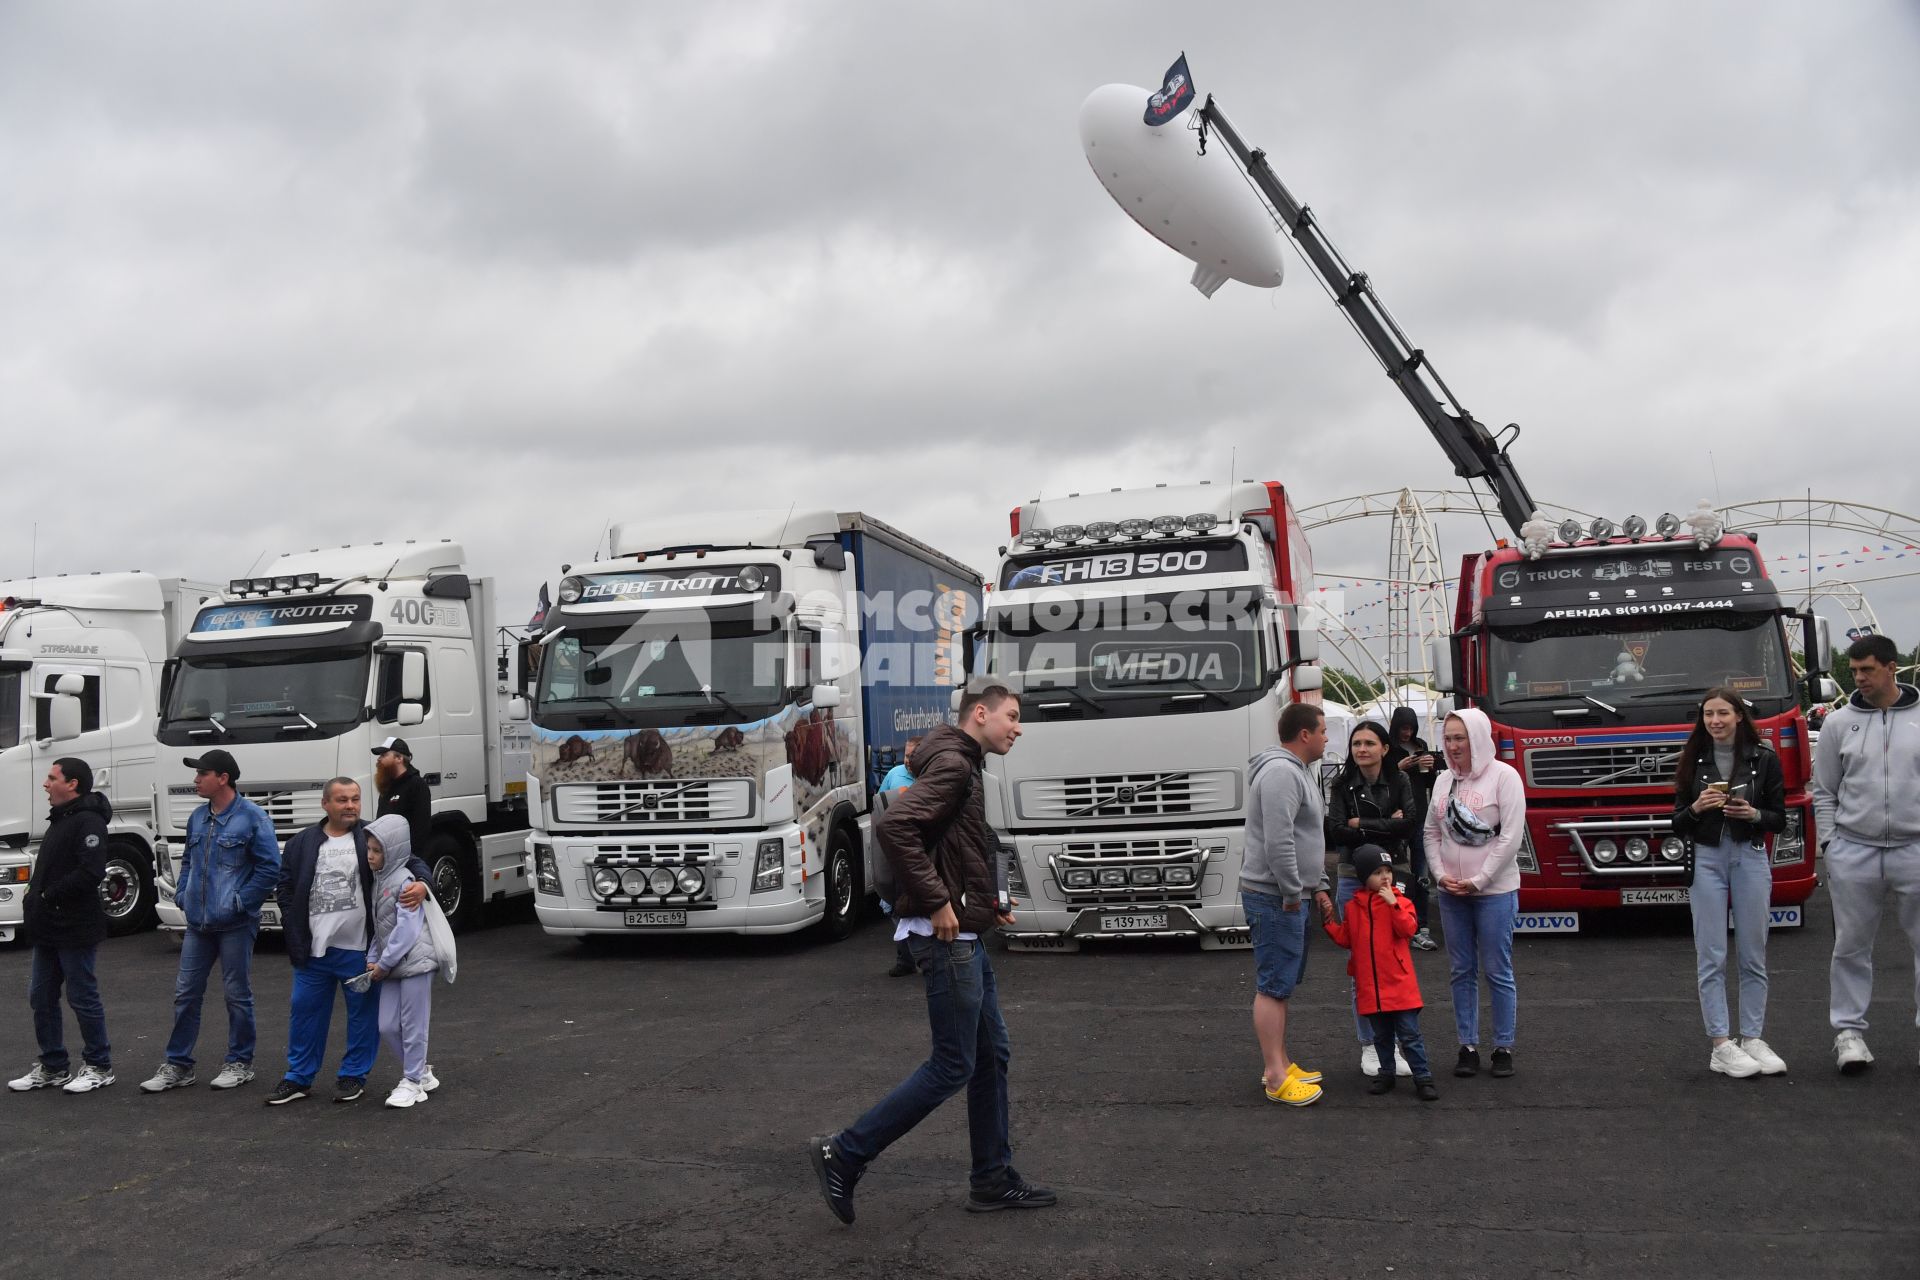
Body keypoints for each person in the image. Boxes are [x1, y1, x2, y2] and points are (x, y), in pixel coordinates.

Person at [810, 677, 1054, 1224]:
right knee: (953, 1064)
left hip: (964, 933)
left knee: (992, 1056)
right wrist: (940, 901)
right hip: (945, 939)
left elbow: (970, 841)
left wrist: (993, 898)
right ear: (981, 715)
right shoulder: (955, 765)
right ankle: (844, 1153)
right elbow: (895, 827)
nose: (1018, 727)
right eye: (1011, 716)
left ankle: (991, 1178)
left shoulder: (963, 761)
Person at [265, 777, 429, 1105]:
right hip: (312, 950)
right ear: (325, 804)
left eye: (355, 798)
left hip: (359, 947)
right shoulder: (301, 843)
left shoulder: (373, 837)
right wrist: (291, 918)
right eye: (342, 800)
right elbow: (284, 885)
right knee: (305, 1013)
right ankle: (298, 1078)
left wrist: (423, 883)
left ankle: (353, 1075)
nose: (351, 805)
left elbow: (411, 861)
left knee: (363, 1016)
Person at [140, 750, 281, 1093]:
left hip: (235, 923)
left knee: (237, 994)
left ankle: (240, 1062)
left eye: (202, 774)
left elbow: (269, 868)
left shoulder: (252, 818)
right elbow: (188, 858)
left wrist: (240, 902)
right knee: (185, 993)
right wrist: (184, 893)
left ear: (223, 778)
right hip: (199, 924)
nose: (196, 780)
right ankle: (178, 1065)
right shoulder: (198, 818)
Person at [1812, 634, 1920, 1075]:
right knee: (1851, 946)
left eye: (1866, 670)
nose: (1858, 678)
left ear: (1891, 667)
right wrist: (1830, 846)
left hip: (1915, 848)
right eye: (1853, 671)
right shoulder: (1838, 723)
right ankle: (1849, 1034)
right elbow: (1824, 792)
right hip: (1853, 850)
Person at [1670, 689, 1788, 1077]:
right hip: (1705, 859)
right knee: (1712, 954)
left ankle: (1752, 1037)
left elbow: (1779, 818)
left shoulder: (1765, 758)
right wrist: (1697, 807)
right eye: (1708, 715)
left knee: (1754, 952)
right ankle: (1721, 1044)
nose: (1715, 721)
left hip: (1750, 855)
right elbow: (1676, 822)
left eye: (1722, 713)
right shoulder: (1690, 760)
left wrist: (1753, 813)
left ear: (1739, 716)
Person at [1423, 707, 1526, 1079]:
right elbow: (1431, 833)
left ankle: (1503, 1046)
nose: (1452, 746)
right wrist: (1439, 875)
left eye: (1459, 738)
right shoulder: (1442, 781)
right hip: (1452, 894)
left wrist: (1479, 880)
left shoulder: (1505, 777)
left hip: (1494, 892)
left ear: (1478, 739)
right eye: (1448, 738)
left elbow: (1511, 838)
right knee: (1460, 970)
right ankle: (1467, 1045)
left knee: (1497, 970)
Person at [8, 759, 115, 1094]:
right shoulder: (60, 819)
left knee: (82, 996)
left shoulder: (89, 822)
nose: (45, 783)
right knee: (40, 996)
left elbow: (91, 872)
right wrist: (33, 896)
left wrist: (50, 894)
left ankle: (99, 1065)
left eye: (52, 778)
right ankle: (53, 1066)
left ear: (72, 784)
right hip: (48, 928)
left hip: (76, 927)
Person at [1246, 701, 1329, 1107]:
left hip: (1286, 894)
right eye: (1324, 730)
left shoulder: (1294, 771)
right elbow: (1279, 843)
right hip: (1275, 896)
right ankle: (1276, 1077)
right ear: (1305, 735)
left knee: (1280, 986)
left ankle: (1278, 1063)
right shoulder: (1281, 773)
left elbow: (1305, 838)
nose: (1328, 738)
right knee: (1273, 986)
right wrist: (1293, 892)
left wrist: (1319, 885)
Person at [1324, 720, 1416, 1077]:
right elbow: (1335, 833)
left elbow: (1409, 824)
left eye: (1369, 743)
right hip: (1351, 878)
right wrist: (1383, 823)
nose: (1361, 749)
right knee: (1362, 966)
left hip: (1395, 877)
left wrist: (1360, 823)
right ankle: (1371, 1047)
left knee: (1395, 960)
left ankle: (1396, 1043)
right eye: (1356, 743)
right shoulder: (1341, 784)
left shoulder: (1400, 780)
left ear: (1385, 748)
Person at [1322, 844, 1438, 1101]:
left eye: (1388, 870)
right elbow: (1347, 939)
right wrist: (1329, 924)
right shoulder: (1353, 908)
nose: (1386, 876)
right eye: (1377, 872)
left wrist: (1394, 904)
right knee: (1382, 1036)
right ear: (1364, 877)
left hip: (1399, 985)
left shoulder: (1402, 902)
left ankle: (1423, 1077)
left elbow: (1408, 929)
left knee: (1409, 1034)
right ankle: (1387, 1073)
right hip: (1371, 987)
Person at [362, 814, 442, 1109]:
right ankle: (420, 1074)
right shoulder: (381, 879)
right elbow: (381, 929)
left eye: (377, 850)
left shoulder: (404, 881)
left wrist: (382, 963)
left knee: (413, 1025)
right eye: (369, 849)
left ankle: (412, 1081)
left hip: (414, 964)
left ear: (393, 850)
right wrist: (375, 959)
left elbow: (406, 931)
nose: (370, 855)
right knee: (387, 1026)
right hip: (395, 965)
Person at [1385, 706, 1441, 950]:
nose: (1406, 733)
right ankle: (1397, 924)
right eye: (1403, 728)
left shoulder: (1420, 745)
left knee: (1421, 875)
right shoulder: (1386, 748)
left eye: (1410, 728)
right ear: (1396, 727)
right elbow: (1380, 778)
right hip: (1396, 817)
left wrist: (1430, 764)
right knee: (1395, 874)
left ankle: (1421, 925)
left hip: (1420, 816)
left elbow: (1429, 782)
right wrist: (1399, 767)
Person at [877, 736, 923, 978]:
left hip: (919, 852)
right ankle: (905, 959)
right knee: (893, 906)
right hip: (894, 852)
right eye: (905, 755)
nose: (906, 760)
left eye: (912, 756)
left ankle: (924, 957)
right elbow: (879, 805)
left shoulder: (931, 779)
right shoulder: (894, 775)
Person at [374, 737, 433, 863]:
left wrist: (410, 860)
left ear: (399, 758)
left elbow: (421, 830)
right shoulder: (387, 787)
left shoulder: (417, 785)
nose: (379, 759)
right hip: (387, 860)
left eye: (384, 755)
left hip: (407, 861)